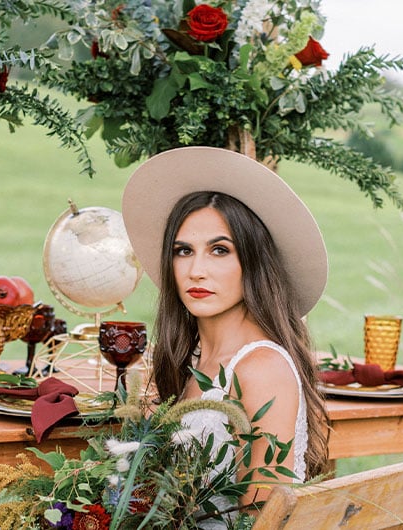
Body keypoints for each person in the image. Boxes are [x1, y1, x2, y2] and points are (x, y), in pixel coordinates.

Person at [121, 146, 330, 523]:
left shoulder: (261, 368)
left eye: (219, 250)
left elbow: (258, 518)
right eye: (183, 251)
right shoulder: (191, 357)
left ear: (253, 262)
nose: (196, 270)